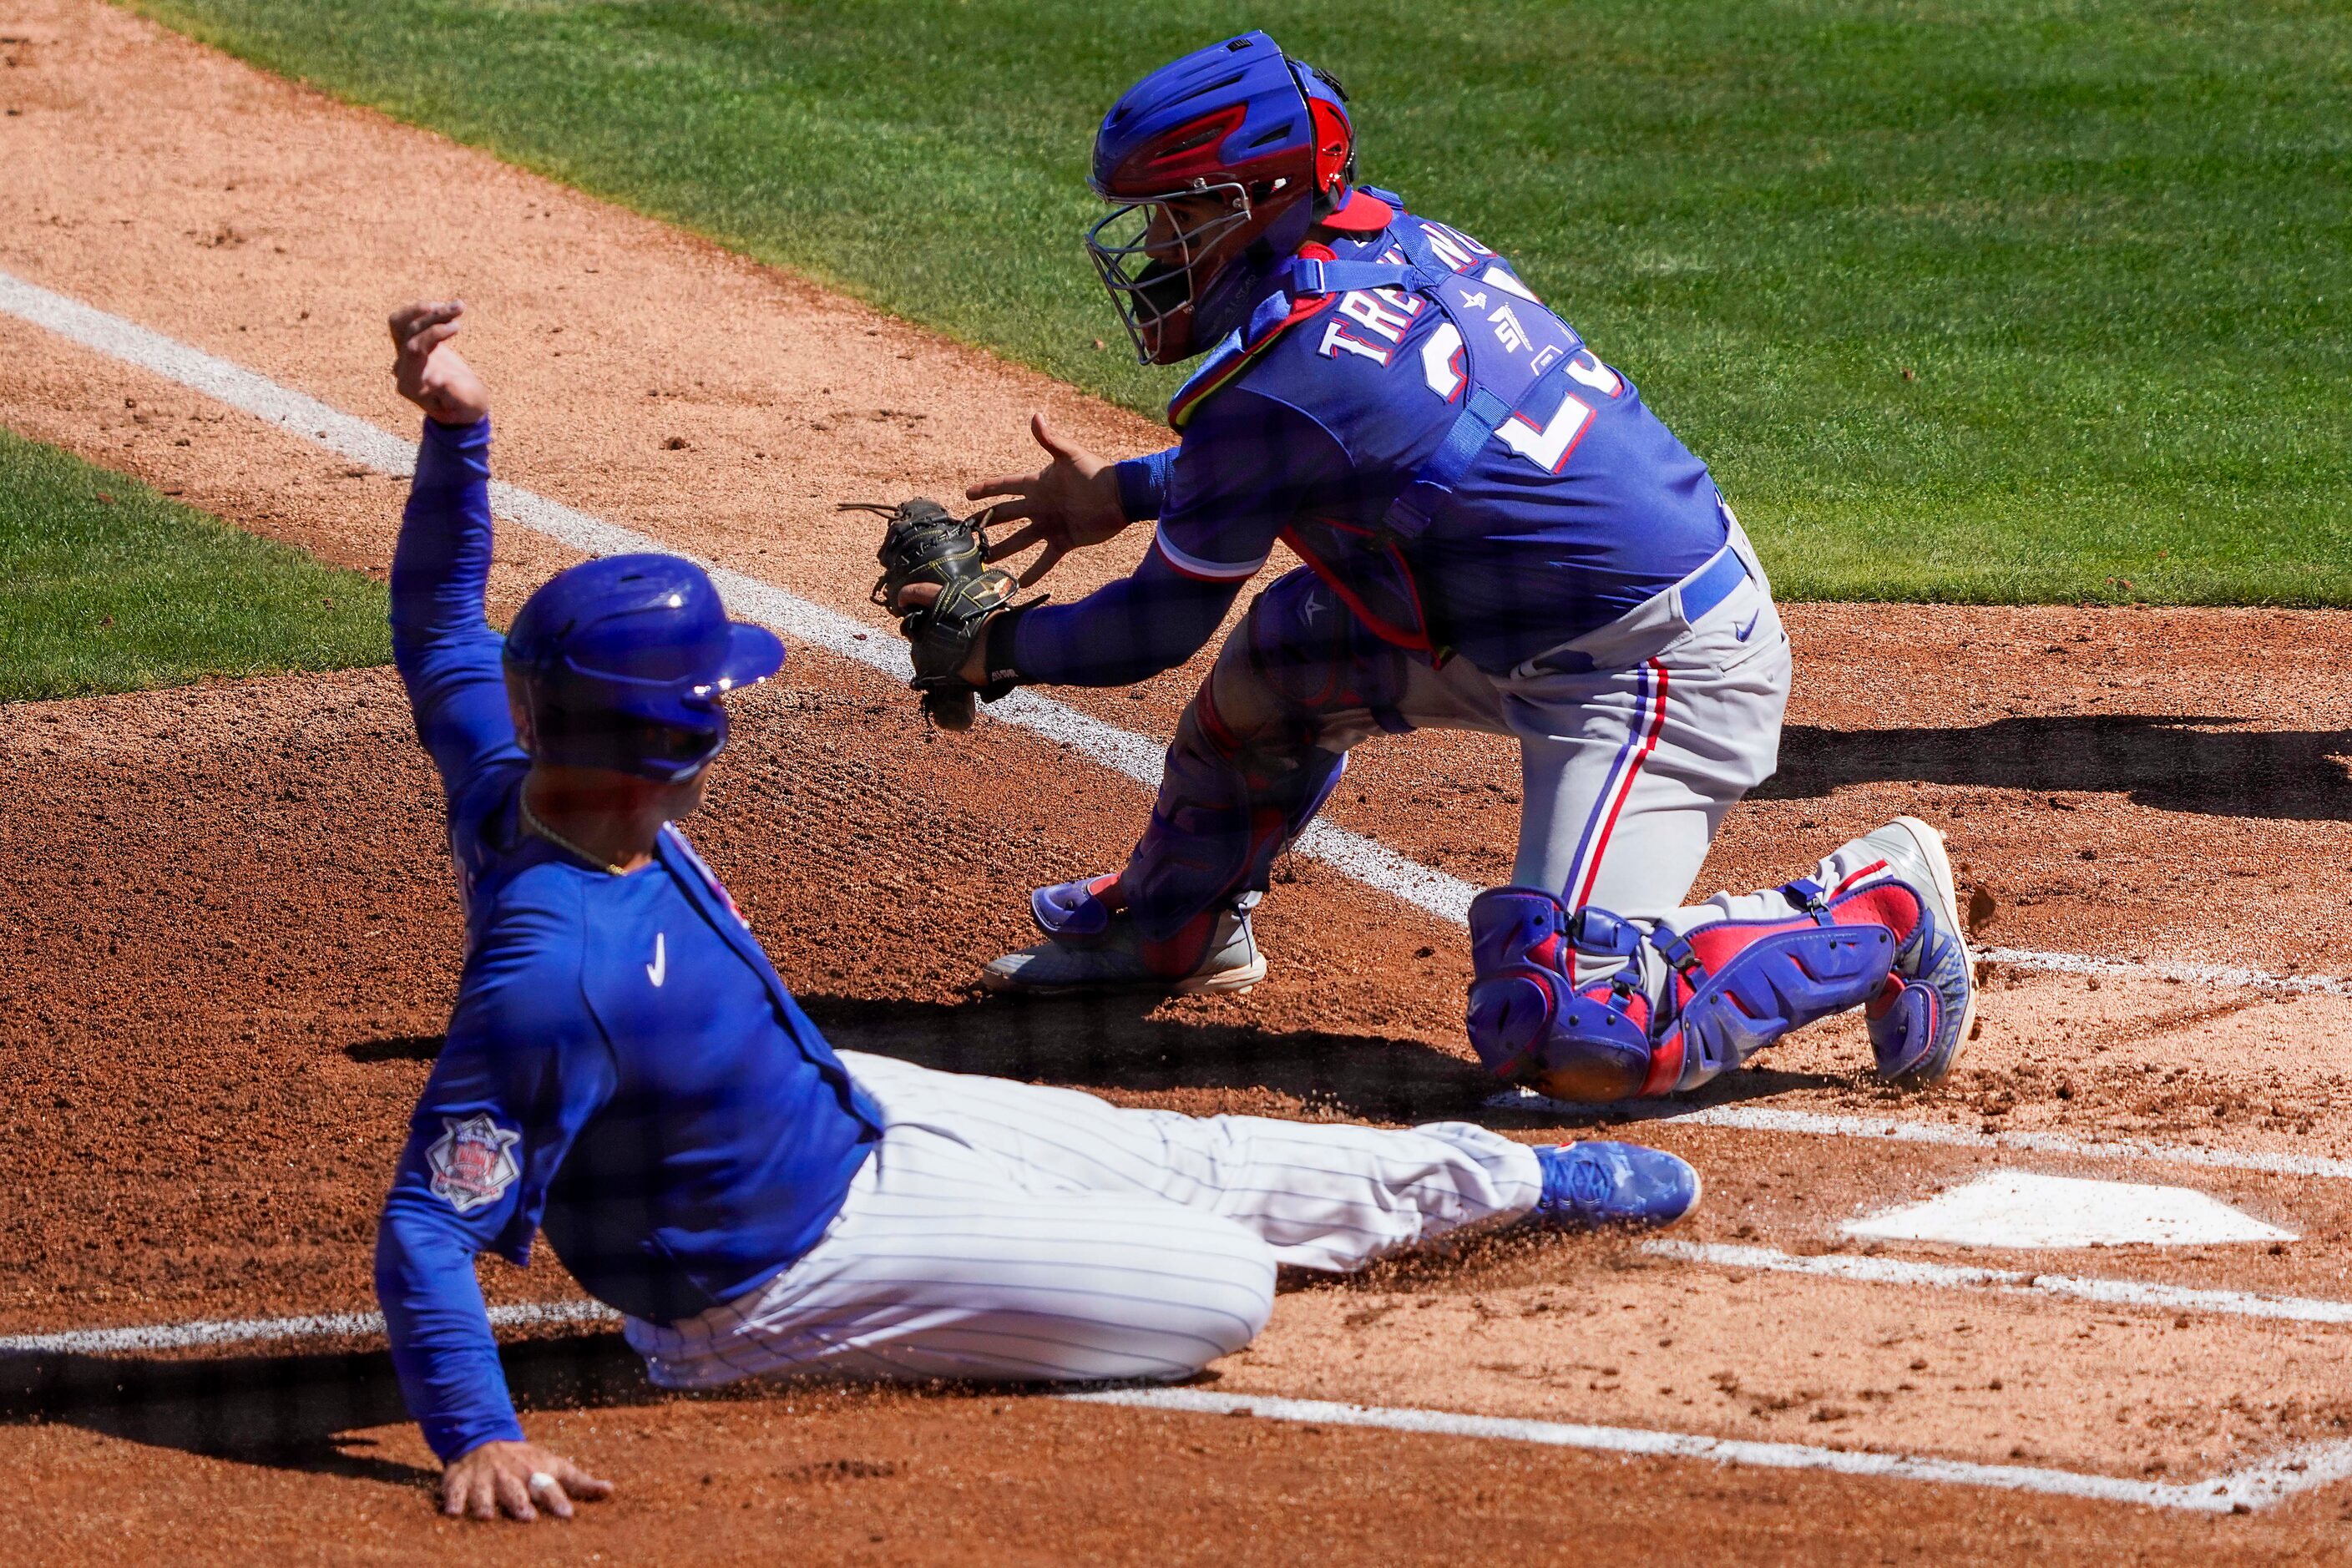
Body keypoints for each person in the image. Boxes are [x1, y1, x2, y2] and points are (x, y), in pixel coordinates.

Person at [374, 300, 1707, 1525]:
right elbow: (429, 1222)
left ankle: (1521, 1176)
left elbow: (440, 628)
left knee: (1184, 1158)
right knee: (1216, 1285)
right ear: (676, 735)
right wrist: (477, 1434)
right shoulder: (554, 972)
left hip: (840, 1107)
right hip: (768, 1282)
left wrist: (459, 428)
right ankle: (858, 1326)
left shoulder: (517, 777)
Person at [913, 33, 1975, 1105]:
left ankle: (1883, 905)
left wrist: (989, 649)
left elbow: (1154, 626)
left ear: (1263, 199)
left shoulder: (1279, 385)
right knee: (1289, 657)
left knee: (1572, 1036)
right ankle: (1174, 924)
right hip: (1522, 610)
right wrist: (1128, 493)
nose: (1156, 246)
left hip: (1655, 668)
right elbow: (1336, 443)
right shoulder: (1388, 244)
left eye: (1182, 215)